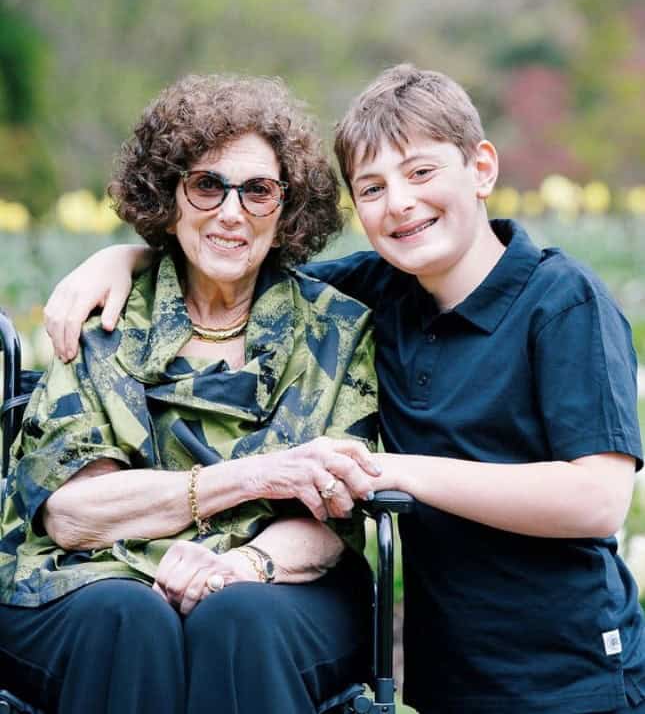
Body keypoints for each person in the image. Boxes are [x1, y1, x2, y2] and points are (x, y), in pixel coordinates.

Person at [45, 63, 645, 714]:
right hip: (449, 675)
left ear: (480, 169)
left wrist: (393, 469)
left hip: (571, 670)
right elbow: (232, 255)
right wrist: (119, 258)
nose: (400, 203)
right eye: (372, 187)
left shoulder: (560, 301)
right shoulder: (379, 291)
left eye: (420, 172)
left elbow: (595, 499)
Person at [0, 73, 383, 714]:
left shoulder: (338, 330)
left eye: (257, 190)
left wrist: (246, 565)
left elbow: (334, 517)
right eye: (207, 185)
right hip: (89, 579)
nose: (231, 212)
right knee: (129, 615)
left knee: (238, 619)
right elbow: (72, 514)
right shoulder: (103, 323)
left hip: (277, 580)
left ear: (285, 208)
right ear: (168, 198)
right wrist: (256, 476)